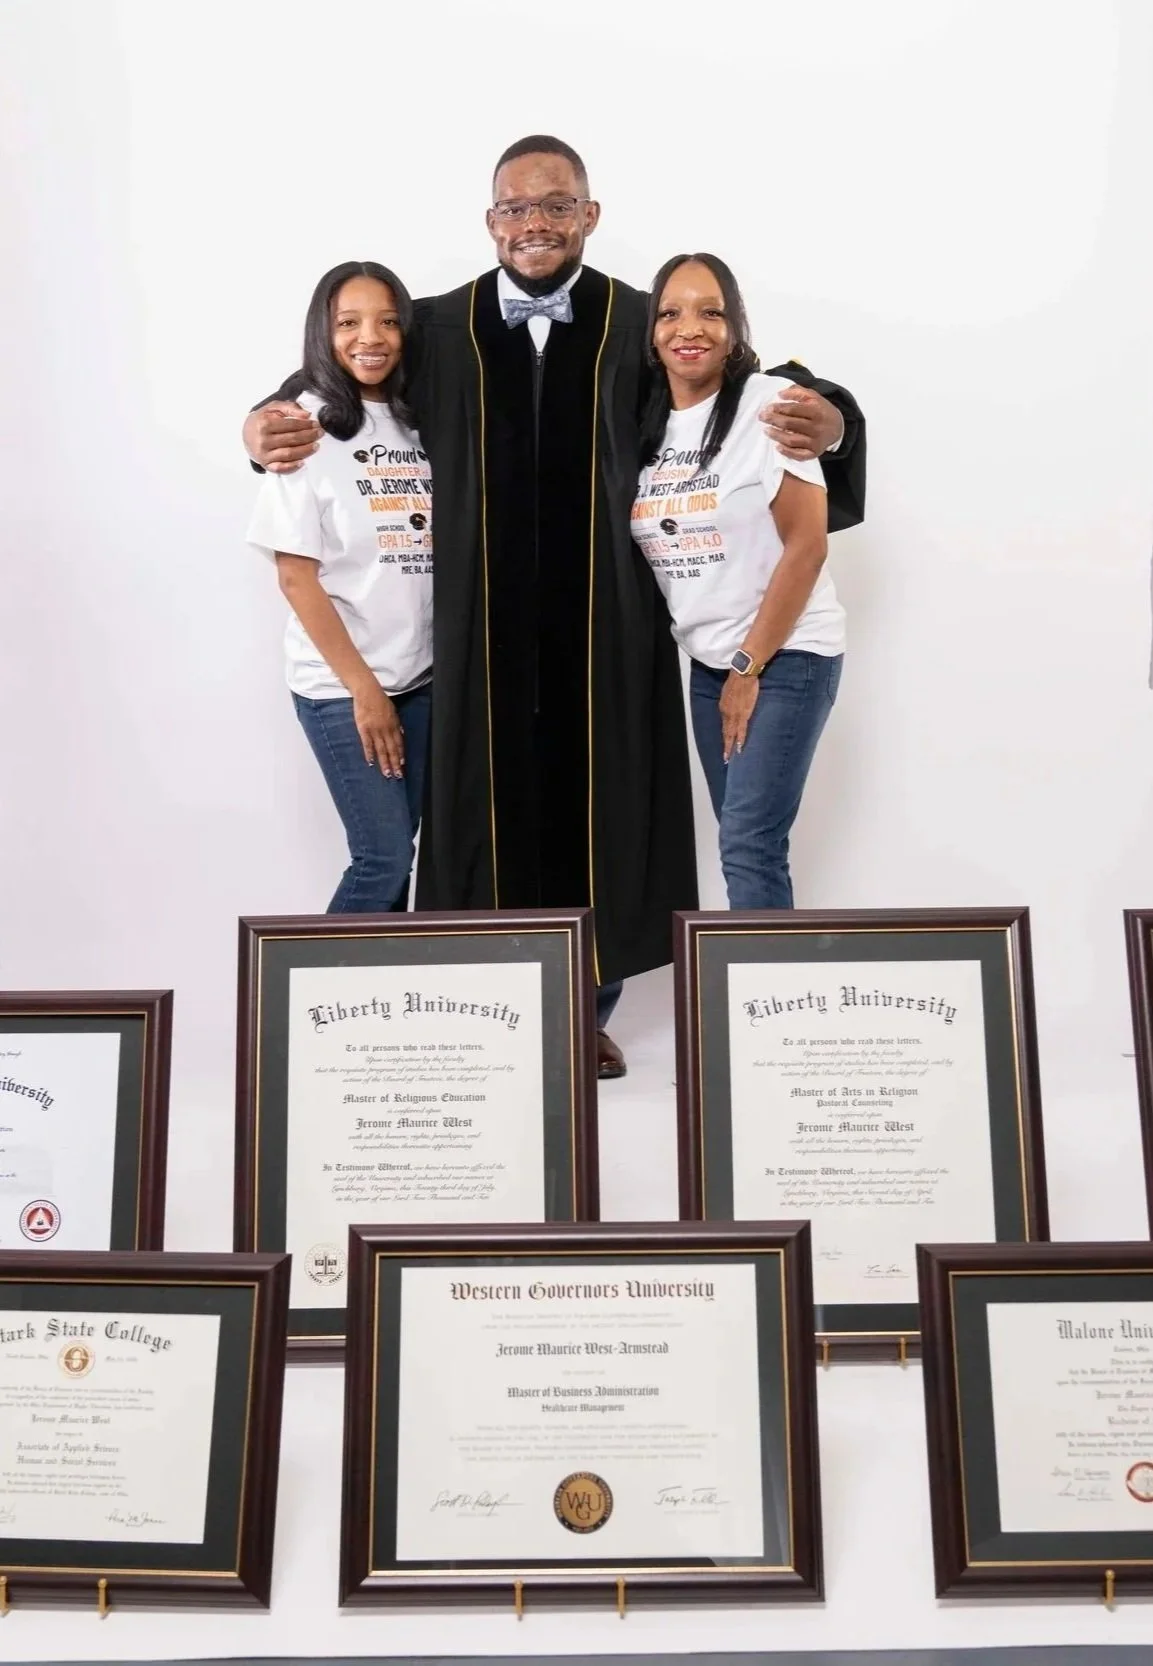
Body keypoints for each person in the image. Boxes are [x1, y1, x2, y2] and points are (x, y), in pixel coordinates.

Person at [243, 136, 866, 1079]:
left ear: (589, 214)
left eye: (554, 206)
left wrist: (838, 417)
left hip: (603, 624)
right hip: (470, 628)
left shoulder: (633, 322)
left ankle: (586, 1006)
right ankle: (484, 1003)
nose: (534, 223)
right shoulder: (436, 325)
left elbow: (733, 384)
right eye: (515, 209)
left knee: (598, 804)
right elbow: (341, 379)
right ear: (490, 220)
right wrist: (262, 425)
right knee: (477, 812)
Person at [634, 254, 843, 909]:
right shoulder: (644, 425)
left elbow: (805, 548)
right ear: (650, 331)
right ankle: (764, 999)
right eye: (669, 313)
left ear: (734, 327)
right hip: (707, 663)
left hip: (784, 656)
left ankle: (766, 1005)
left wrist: (748, 668)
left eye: (709, 311)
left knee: (748, 845)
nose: (687, 327)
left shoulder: (769, 406)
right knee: (743, 842)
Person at [247, 261, 432, 916]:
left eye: (386, 321)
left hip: (420, 678)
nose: (369, 338)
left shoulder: (419, 421)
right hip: (341, 685)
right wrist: (365, 692)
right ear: (322, 333)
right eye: (348, 323)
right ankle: (310, 1000)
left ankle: (382, 1002)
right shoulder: (303, 426)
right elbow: (296, 577)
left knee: (408, 851)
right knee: (383, 855)